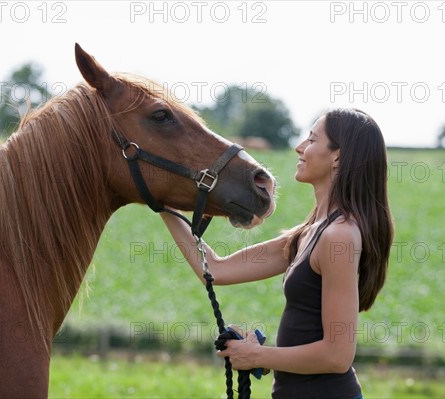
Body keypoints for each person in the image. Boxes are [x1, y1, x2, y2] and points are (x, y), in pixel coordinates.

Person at [160, 108, 394, 398]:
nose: (299, 147)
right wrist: (163, 201)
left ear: (338, 156)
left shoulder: (339, 237)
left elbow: (337, 356)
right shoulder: (309, 233)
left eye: (311, 140)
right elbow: (216, 270)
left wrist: (257, 357)